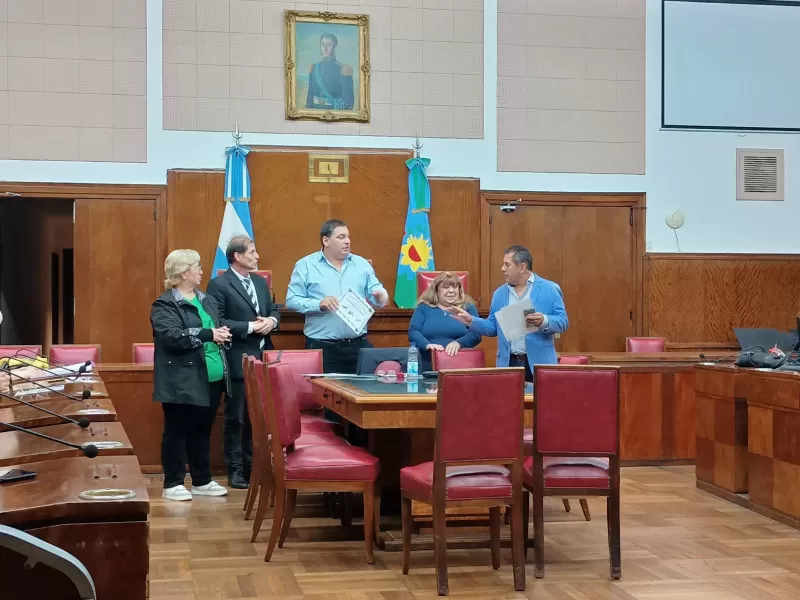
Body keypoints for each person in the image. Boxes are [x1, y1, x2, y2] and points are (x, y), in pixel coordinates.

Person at [151, 249, 231, 501]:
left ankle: (202, 480)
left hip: (213, 376)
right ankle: (173, 483)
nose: (201, 270)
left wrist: (222, 332)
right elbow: (171, 336)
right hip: (181, 379)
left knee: (202, 430)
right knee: (177, 431)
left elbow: (214, 327)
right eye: (196, 266)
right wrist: (209, 334)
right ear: (184, 272)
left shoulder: (205, 299)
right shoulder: (165, 304)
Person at [206, 236, 279, 490]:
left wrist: (272, 321)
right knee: (237, 417)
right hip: (236, 359)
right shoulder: (219, 285)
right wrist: (251, 326)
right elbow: (217, 320)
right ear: (237, 256)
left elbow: (274, 309)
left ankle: (254, 467)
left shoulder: (260, 282)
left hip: (263, 359)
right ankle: (236, 470)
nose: (257, 256)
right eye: (252, 252)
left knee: (258, 417)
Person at [449, 245, 568, 382]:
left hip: (539, 364)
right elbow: (492, 328)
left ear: (522, 267)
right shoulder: (499, 293)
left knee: (541, 403)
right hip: (509, 363)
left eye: (507, 265)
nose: (502, 269)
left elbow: (563, 322)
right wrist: (470, 320)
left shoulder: (550, 289)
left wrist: (544, 320)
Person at [286, 218, 388, 374]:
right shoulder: (305, 265)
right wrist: (318, 304)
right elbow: (292, 300)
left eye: (348, 236)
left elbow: (377, 292)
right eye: (341, 237)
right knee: (327, 396)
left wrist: (381, 297)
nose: (347, 241)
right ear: (326, 241)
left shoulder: (361, 264)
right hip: (323, 347)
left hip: (358, 346)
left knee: (363, 394)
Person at [408, 271, 481, 372]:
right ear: (436, 290)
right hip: (427, 363)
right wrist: (427, 345)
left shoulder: (467, 307)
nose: (451, 291)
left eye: (455, 287)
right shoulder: (424, 307)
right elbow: (413, 331)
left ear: (460, 289)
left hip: (460, 365)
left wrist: (458, 343)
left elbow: (477, 333)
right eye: (446, 287)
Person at [306, 32, 355, 111]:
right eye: (322, 44)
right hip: (315, 112)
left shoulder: (343, 70)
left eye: (329, 45)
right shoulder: (313, 68)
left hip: (334, 113)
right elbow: (309, 97)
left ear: (335, 47)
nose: (325, 48)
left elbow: (348, 102)